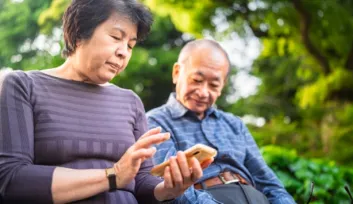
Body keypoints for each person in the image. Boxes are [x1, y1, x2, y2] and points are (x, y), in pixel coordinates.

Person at [0, 1, 212, 203]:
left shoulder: (130, 101)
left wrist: (169, 189)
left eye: (130, 45)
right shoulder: (23, 85)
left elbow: (143, 182)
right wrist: (113, 176)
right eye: (115, 37)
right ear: (79, 34)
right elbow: (11, 179)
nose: (123, 53)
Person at [146, 39, 296, 204]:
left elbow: (267, 180)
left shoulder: (234, 124)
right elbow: (171, 187)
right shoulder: (155, 121)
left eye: (214, 85)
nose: (203, 92)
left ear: (222, 85)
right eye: (196, 80)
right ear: (176, 72)